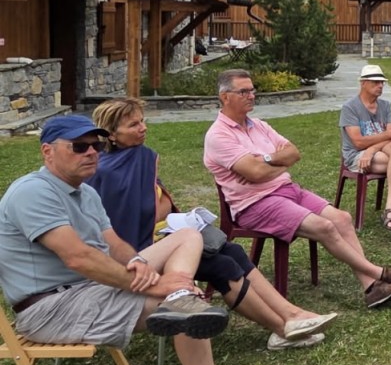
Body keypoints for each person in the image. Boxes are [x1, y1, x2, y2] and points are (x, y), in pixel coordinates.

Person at [0, 115, 276, 365]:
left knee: (186, 236)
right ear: (47, 151)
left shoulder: (86, 192)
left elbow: (113, 244)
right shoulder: (33, 192)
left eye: (96, 144)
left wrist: (135, 262)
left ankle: (180, 291)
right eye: (79, 146)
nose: (92, 152)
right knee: (186, 309)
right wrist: (157, 285)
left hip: (87, 289)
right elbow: (78, 258)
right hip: (51, 307)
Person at [89, 98, 336, 352]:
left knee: (233, 251)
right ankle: (281, 329)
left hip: (166, 236)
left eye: (142, 121)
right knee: (222, 266)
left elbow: (158, 202)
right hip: (140, 252)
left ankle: (291, 313)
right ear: (111, 134)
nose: (143, 128)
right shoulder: (103, 172)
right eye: (133, 125)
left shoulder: (141, 157)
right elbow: (119, 223)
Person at [204, 69, 391, 309]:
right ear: (225, 97)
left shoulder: (259, 126)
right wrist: (277, 164)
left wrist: (265, 160)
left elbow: (293, 153)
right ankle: (381, 273)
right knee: (324, 226)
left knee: (342, 218)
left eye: (253, 90)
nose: (252, 95)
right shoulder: (218, 136)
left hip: (287, 190)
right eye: (244, 91)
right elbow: (255, 174)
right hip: (256, 204)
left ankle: (372, 288)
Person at [340, 64, 391, 238]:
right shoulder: (350, 107)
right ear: (363, 83)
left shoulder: (385, 106)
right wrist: (372, 146)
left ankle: (390, 210)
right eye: (376, 82)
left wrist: (372, 149)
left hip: (376, 154)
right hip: (357, 157)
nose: (381, 86)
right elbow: (358, 141)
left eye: (382, 82)